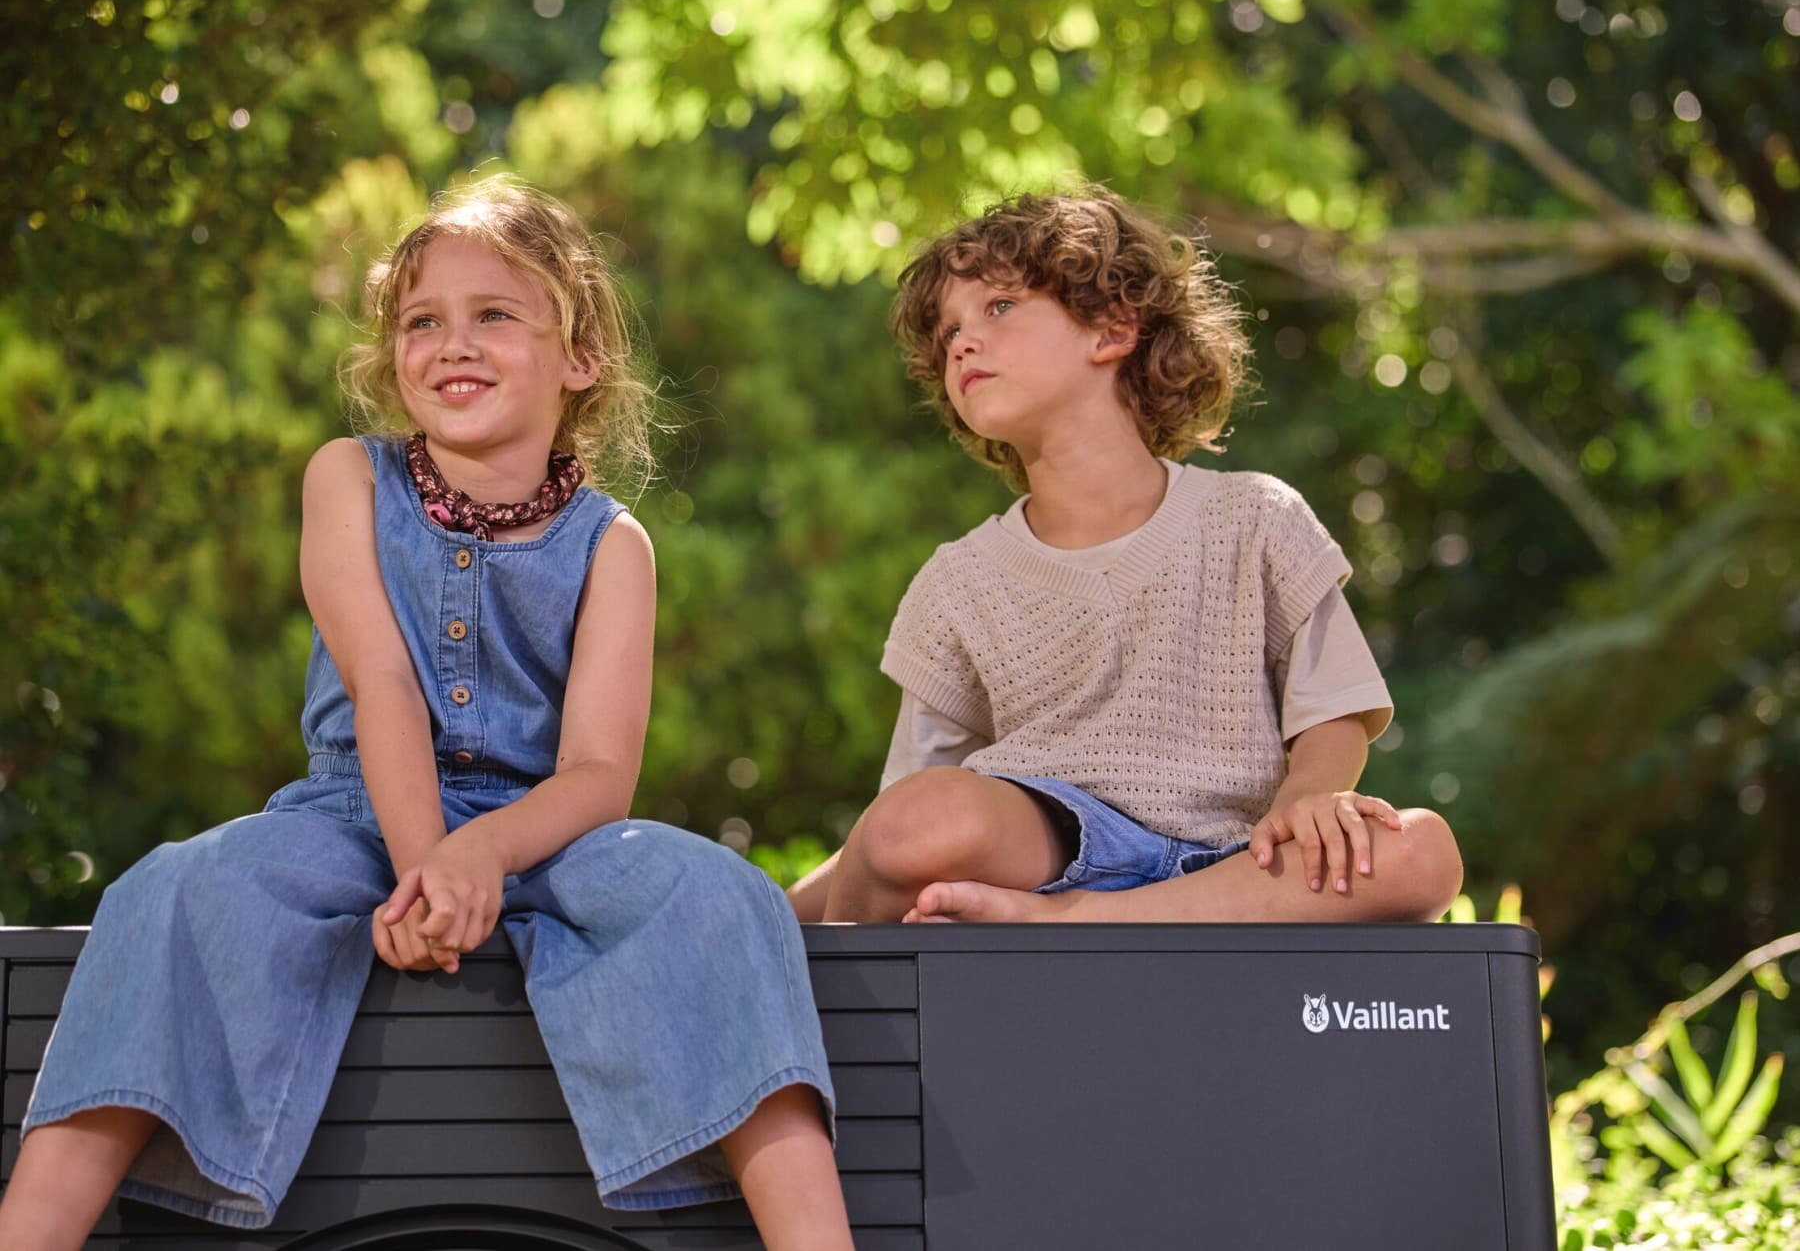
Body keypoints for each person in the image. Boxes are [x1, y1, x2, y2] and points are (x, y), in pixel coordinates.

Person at [0, 179, 852, 1251]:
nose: (454, 342)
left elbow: (597, 774)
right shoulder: (346, 480)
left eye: (495, 313)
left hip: (543, 831)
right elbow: (384, 681)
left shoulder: (612, 546)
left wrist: (482, 854)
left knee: (721, 897)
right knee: (173, 892)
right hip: (353, 817)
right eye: (421, 321)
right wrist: (425, 868)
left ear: (579, 356)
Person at [787, 188, 1463, 926]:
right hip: (1048, 856)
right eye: (948, 331)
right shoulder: (956, 583)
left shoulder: (1256, 518)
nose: (961, 342)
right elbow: (899, 825)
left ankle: (1079, 927)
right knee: (914, 821)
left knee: (1424, 852)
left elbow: (1334, 710)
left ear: (1111, 329)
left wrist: (1310, 803)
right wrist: (767, 911)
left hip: (1243, 865)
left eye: (1000, 308)